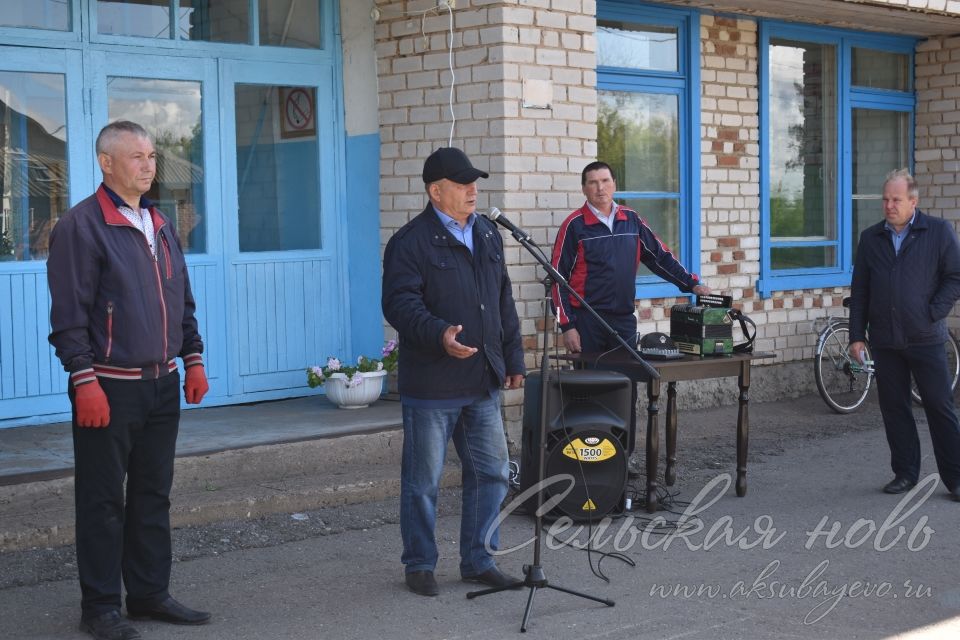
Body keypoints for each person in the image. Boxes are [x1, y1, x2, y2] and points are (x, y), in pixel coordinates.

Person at [47, 121, 212, 640]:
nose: (148, 165)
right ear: (106, 163)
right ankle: (100, 607)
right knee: (101, 501)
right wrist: (83, 379)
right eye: (136, 156)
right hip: (109, 387)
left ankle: (147, 594)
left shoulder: (160, 224)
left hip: (161, 386)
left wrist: (194, 358)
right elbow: (68, 315)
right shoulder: (82, 226)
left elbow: (180, 299)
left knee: (152, 493)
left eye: (151, 156)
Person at [382, 147, 526, 597]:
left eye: (474, 182)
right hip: (433, 384)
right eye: (463, 184)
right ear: (435, 191)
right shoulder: (410, 242)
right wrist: (440, 333)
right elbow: (400, 305)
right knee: (422, 482)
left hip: (482, 380)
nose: (473, 190)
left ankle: (479, 559)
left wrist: (514, 357)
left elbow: (502, 300)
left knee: (493, 473)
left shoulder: (486, 233)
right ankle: (420, 563)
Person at [848, 168, 960, 502]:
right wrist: (857, 336)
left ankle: (955, 479)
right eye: (885, 199)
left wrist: (932, 312)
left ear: (913, 201)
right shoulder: (871, 238)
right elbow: (861, 290)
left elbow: (955, 276)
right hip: (885, 340)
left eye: (896, 199)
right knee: (894, 408)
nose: (889, 205)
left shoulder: (938, 231)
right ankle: (905, 473)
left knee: (940, 407)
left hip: (926, 338)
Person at [551, 161, 711, 355]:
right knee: (590, 383)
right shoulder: (573, 226)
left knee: (627, 382)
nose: (600, 188)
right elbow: (556, 280)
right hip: (587, 321)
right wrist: (567, 326)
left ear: (614, 184)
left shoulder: (631, 220)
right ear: (584, 188)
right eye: (593, 183)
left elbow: (660, 257)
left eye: (605, 180)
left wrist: (690, 283)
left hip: (623, 320)